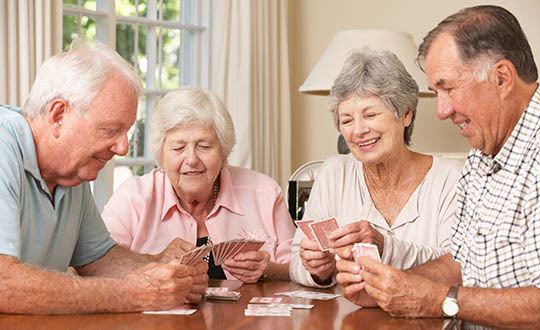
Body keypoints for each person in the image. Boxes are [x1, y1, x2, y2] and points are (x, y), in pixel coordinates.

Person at [336, 5, 540, 328]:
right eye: (436, 93)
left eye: (448, 88)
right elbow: (461, 262)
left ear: (502, 78)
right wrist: (389, 288)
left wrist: (438, 299)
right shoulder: (481, 155)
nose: (441, 111)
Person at [0, 40, 208, 314]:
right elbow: (4, 282)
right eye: (110, 130)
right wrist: (132, 294)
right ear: (59, 115)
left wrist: (165, 275)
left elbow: (99, 258)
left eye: (126, 133)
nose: (122, 148)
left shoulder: (70, 172)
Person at [289, 48, 461, 288]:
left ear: (406, 115)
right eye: (347, 120)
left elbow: (459, 266)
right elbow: (296, 261)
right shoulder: (334, 173)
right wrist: (319, 271)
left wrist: (385, 247)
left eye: (370, 115)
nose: (358, 131)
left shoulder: (450, 178)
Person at [102, 86, 295, 283]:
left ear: (223, 151)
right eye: (178, 147)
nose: (192, 159)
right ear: (161, 155)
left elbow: (299, 270)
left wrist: (268, 270)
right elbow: (97, 266)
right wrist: (153, 262)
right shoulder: (133, 198)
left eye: (204, 146)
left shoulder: (264, 192)